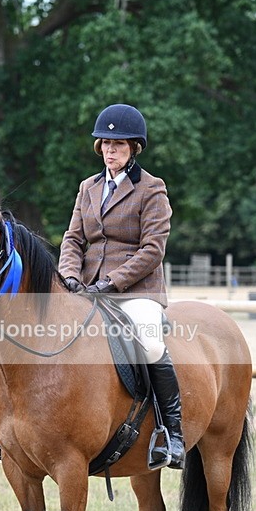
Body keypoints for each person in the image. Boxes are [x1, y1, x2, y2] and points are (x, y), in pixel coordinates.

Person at [58, 103, 185, 470]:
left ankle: (171, 434)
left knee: (148, 340)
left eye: (119, 145)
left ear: (134, 149)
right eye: (105, 144)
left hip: (134, 291)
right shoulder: (88, 188)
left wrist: (111, 284)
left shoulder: (152, 189)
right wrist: (70, 276)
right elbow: (73, 239)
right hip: (85, 287)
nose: (110, 150)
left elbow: (152, 250)